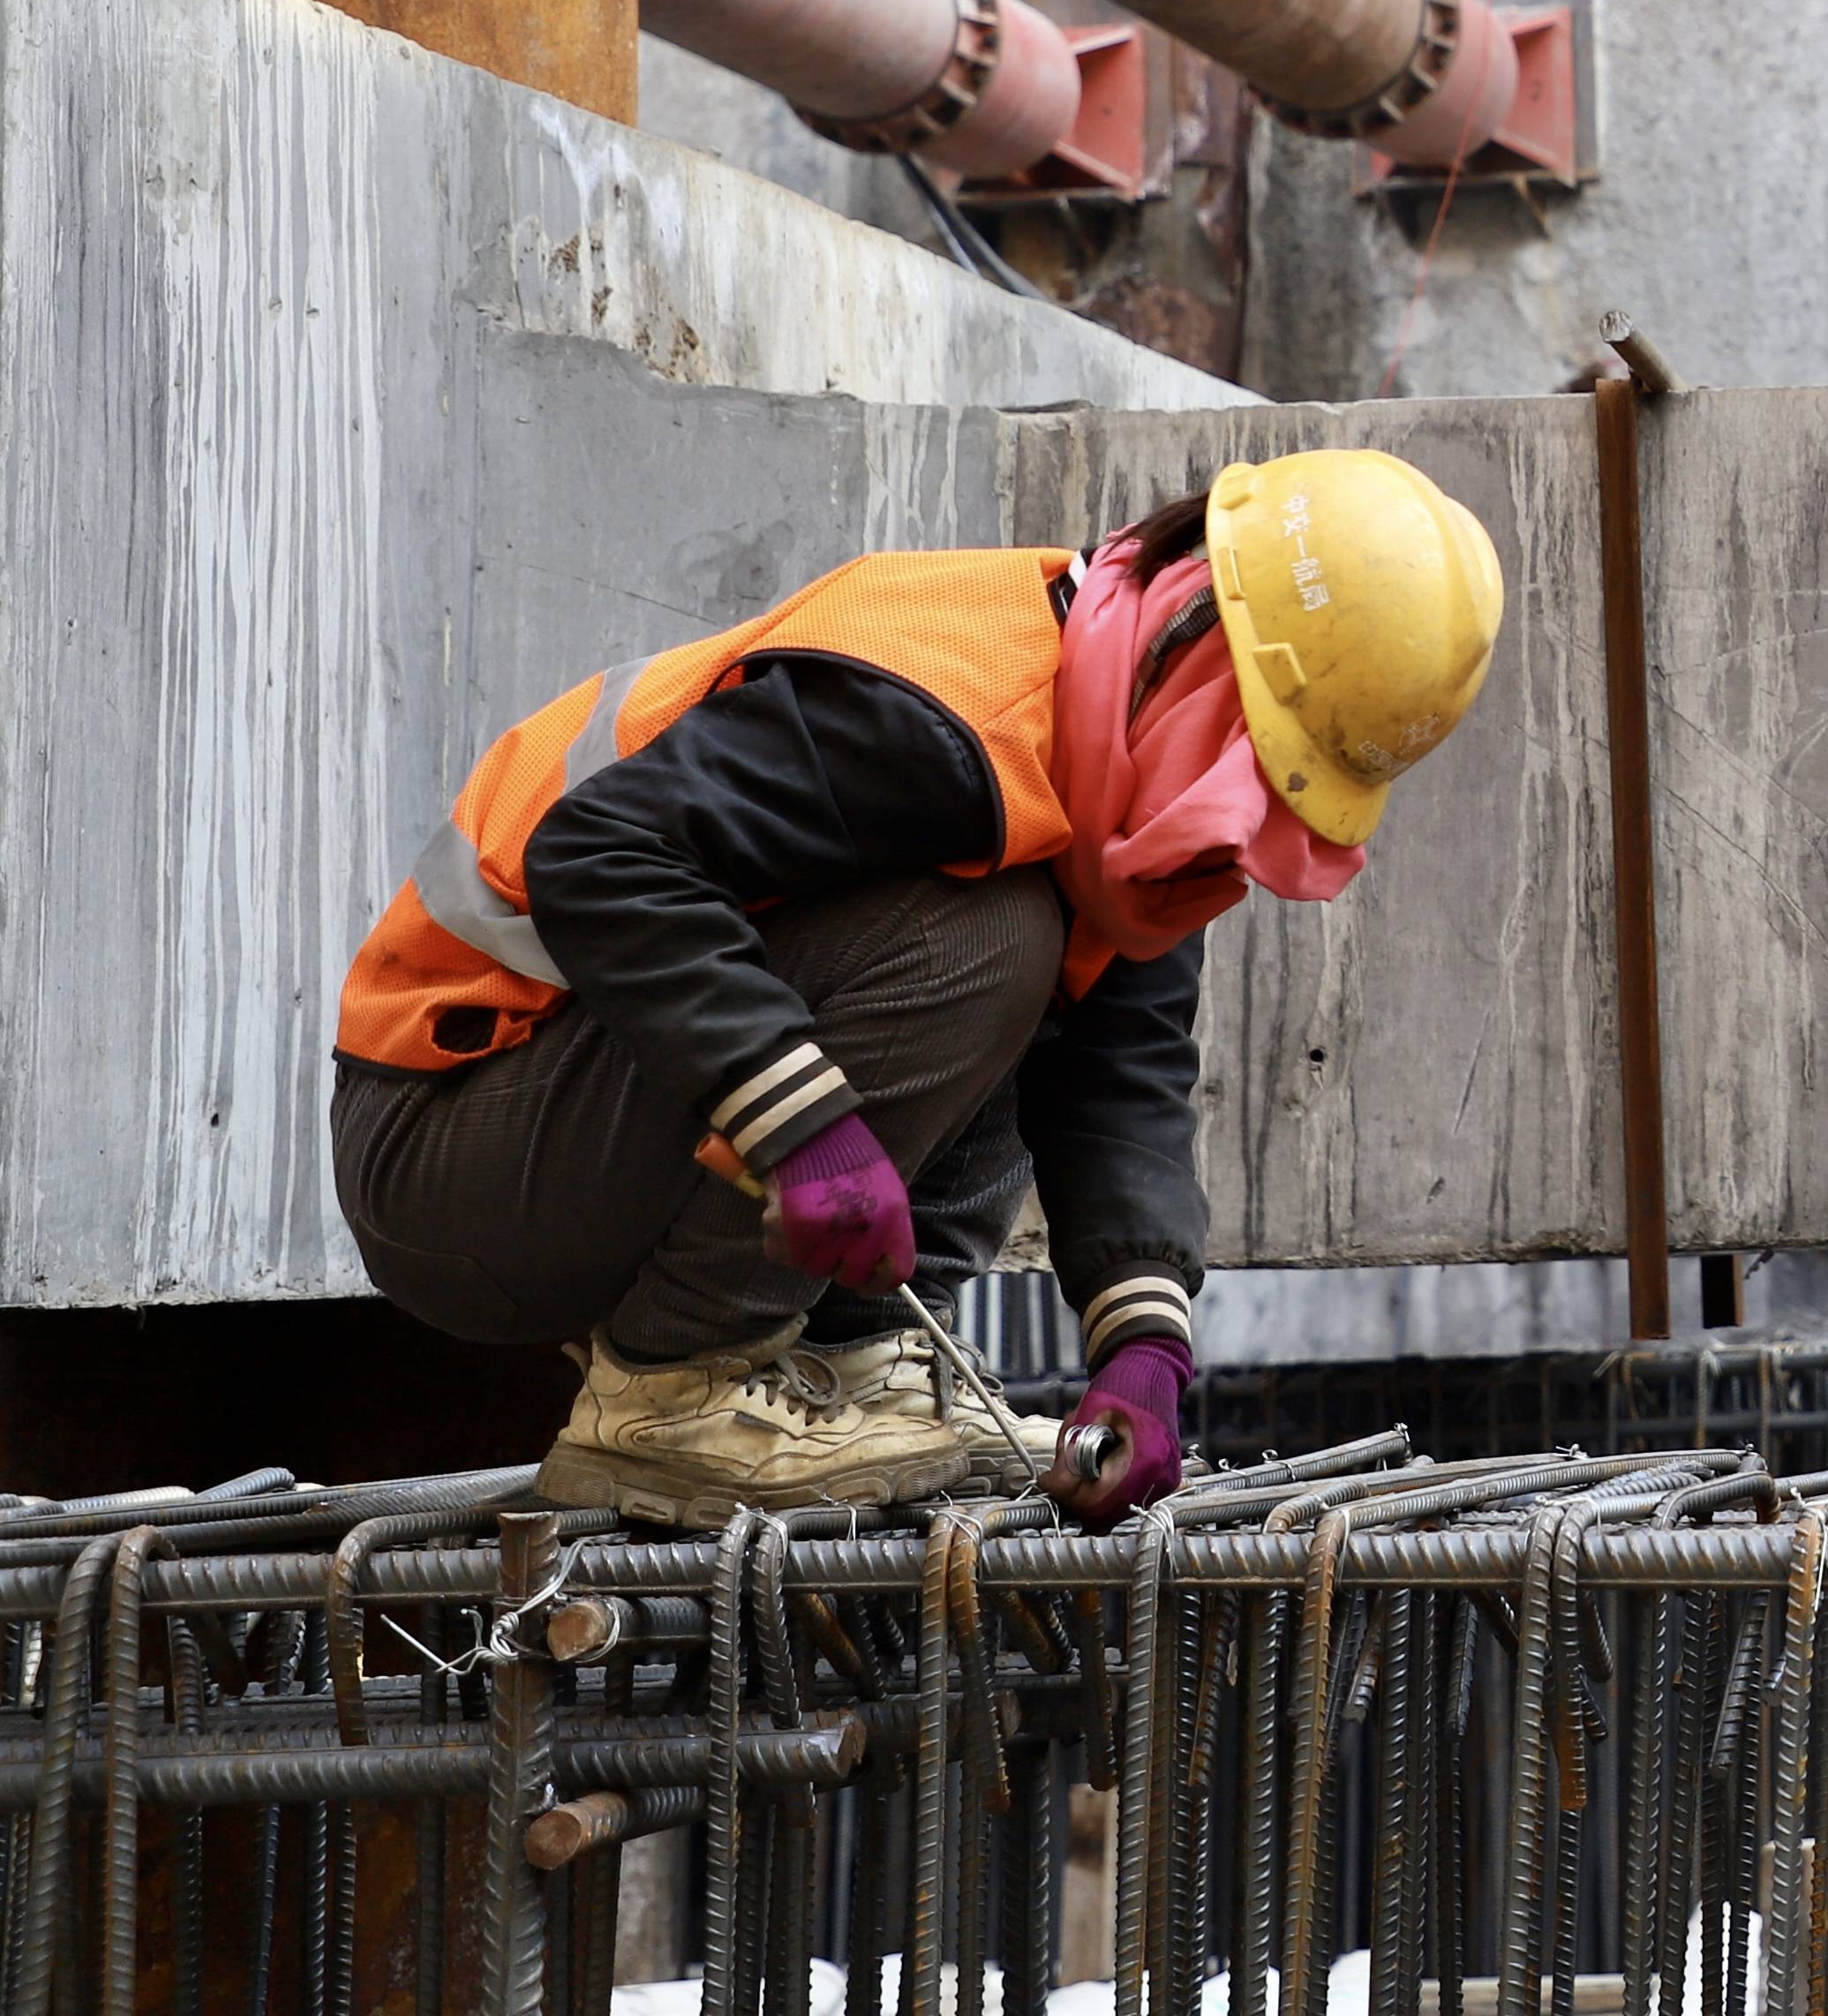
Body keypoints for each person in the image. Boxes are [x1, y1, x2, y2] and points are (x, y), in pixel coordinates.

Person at [328, 449, 1506, 1527]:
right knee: (988, 936)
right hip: (454, 1150)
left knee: (1041, 943)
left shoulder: (1127, 798)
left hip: (575, 1141)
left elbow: (1122, 1082)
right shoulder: (944, 711)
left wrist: (1145, 1355)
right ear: (1205, 661)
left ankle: (844, 1360)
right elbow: (599, 858)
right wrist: (803, 1130)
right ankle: (675, 1392)